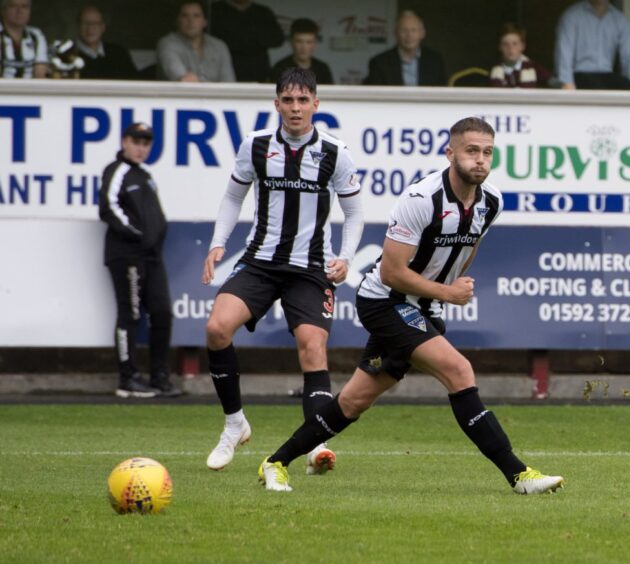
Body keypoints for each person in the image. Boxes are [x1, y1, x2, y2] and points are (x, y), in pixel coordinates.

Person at [256, 117, 565, 495]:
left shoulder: (492, 201)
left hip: (423, 307)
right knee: (459, 370)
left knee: (353, 402)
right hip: (383, 301)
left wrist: (444, 290)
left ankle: (275, 463)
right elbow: (391, 273)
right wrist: (447, 293)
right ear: (450, 153)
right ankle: (520, 476)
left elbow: (469, 245)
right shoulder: (421, 199)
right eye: (471, 151)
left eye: (487, 152)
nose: (480, 160)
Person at [201, 67, 364, 474]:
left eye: (303, 100)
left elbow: (355, 209)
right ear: (276, 104)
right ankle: (234, 424)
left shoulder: (334, 151)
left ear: (316, 104)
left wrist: (345, 256)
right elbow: (232, 196)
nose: (295, 108)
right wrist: (218, 242)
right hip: (260, 262)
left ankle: (316, 443)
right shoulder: (255, 145)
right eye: (287, 100)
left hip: (310, 267)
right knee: (217, 329)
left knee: (312, 347)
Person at [99, 123, 182, 399]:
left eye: (146, 143)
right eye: (136, 141)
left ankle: (160, 377)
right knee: (130, 314)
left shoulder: (145, 175)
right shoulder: (117, 171)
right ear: (124, 141)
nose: (141, 147)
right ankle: (128, 378)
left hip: (151, 257)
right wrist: (137, 235)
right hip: (127, 255)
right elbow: (108, 207)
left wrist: (152, 240)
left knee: (162, 313)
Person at [554, 0, 630, 90]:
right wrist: (567, 82)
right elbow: (564, 53)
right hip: (580, 75)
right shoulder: (572, 16)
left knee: (626, 88)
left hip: (607, 75)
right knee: (599, 88)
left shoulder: (619, 20)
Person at [156, 0, 235, 82]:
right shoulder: (167, 44)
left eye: (196, 16)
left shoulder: (219, 47)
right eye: (185, 16)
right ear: (177, 20)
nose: (190, 21)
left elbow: (229, 83)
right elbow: (185, 80)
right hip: (181, 94)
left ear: (205, 22)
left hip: (216, 95)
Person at [363, 10, 446, 86]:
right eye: (404, 30)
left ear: (422, 33)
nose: (409, 35)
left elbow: (443, 93)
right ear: (396, 34)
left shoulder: (435, 61)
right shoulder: (379, 63)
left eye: (413, 30)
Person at [209, 0, 283, 83]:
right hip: (225, 72)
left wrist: (251, 37)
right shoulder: (216, 10)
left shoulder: (263, 12)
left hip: (258, 73)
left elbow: (278, 39)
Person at [75, 5, 138, 80]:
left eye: (95, 23)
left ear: (103, 27)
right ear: (78, 26)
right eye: (85, 23)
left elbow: (134, 82)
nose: (90, 28)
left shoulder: (119, 53)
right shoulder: (67, 55)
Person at [489, 22, 555, 88]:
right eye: (505, 44)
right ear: (500, 47)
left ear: (523, 46)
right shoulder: (495, 70)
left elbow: (551, 80)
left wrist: (563, 86)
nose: (510, 48)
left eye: (515, 44)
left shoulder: (532, 67)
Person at [268, 18, 333, 85]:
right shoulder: (280, 69)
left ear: (315, 44)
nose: (304, 47)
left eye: (309, 42)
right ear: (291, 42)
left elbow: (331, 94)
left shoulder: (323, 69)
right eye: (299, 41)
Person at [0, 0, 48, 78]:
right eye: (13, 6)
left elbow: (40, 72)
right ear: (3, 10)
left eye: (24, 7)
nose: (19, 11)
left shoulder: (36, 36)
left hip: (29, 88)